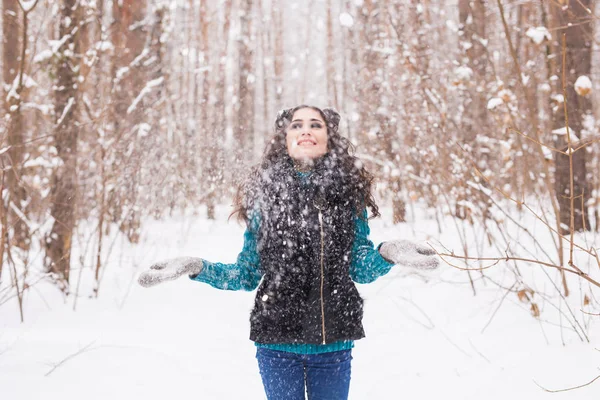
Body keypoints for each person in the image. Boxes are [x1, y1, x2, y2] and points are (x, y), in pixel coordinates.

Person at [138, 105, 439, 400]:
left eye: (315, 124)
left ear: (328, 137)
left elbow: (359, 267)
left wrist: (387, 252)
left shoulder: (347, 192)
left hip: (333, 343)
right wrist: (196, 267)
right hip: (276, 343)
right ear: (285, 137)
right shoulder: (265, 195)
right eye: (297, 124)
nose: (306, 129)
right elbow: (245, 274)